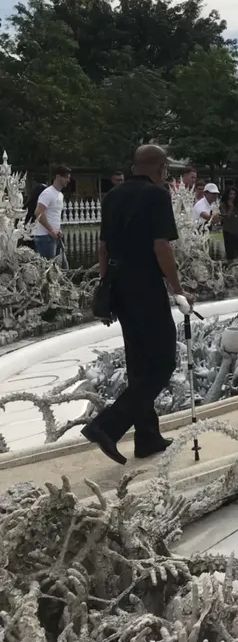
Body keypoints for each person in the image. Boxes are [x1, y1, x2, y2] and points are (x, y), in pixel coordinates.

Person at [81, 144, 192, 465]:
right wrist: (178, 289)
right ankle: (107, 425)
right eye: (166, 169)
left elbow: (103, 249)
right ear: (159, 168)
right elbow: (161, 247)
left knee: (139, 363)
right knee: (162, 362)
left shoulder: (112, 196)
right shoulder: (157, 195)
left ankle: (147, 436)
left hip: (120, 285)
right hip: (146, 286)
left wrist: (107, 287)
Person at [33, 167, 71, 260]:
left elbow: (54, 215)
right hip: (44, 237)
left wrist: (57, 230)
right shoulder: (48, 193)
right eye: (66, 177)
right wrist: (51, 230)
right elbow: (38, 212)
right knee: (48, 267)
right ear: (58, 177)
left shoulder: (60, 195)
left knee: (57, 266)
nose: (68, 180)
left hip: (55, 236)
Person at [220, 186, 238, 260]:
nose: (232, 196)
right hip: (229, 231)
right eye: (230, 194)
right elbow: (226, 217)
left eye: (234, 194)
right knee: (230, 254)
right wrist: (231, 207)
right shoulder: (223, 204)